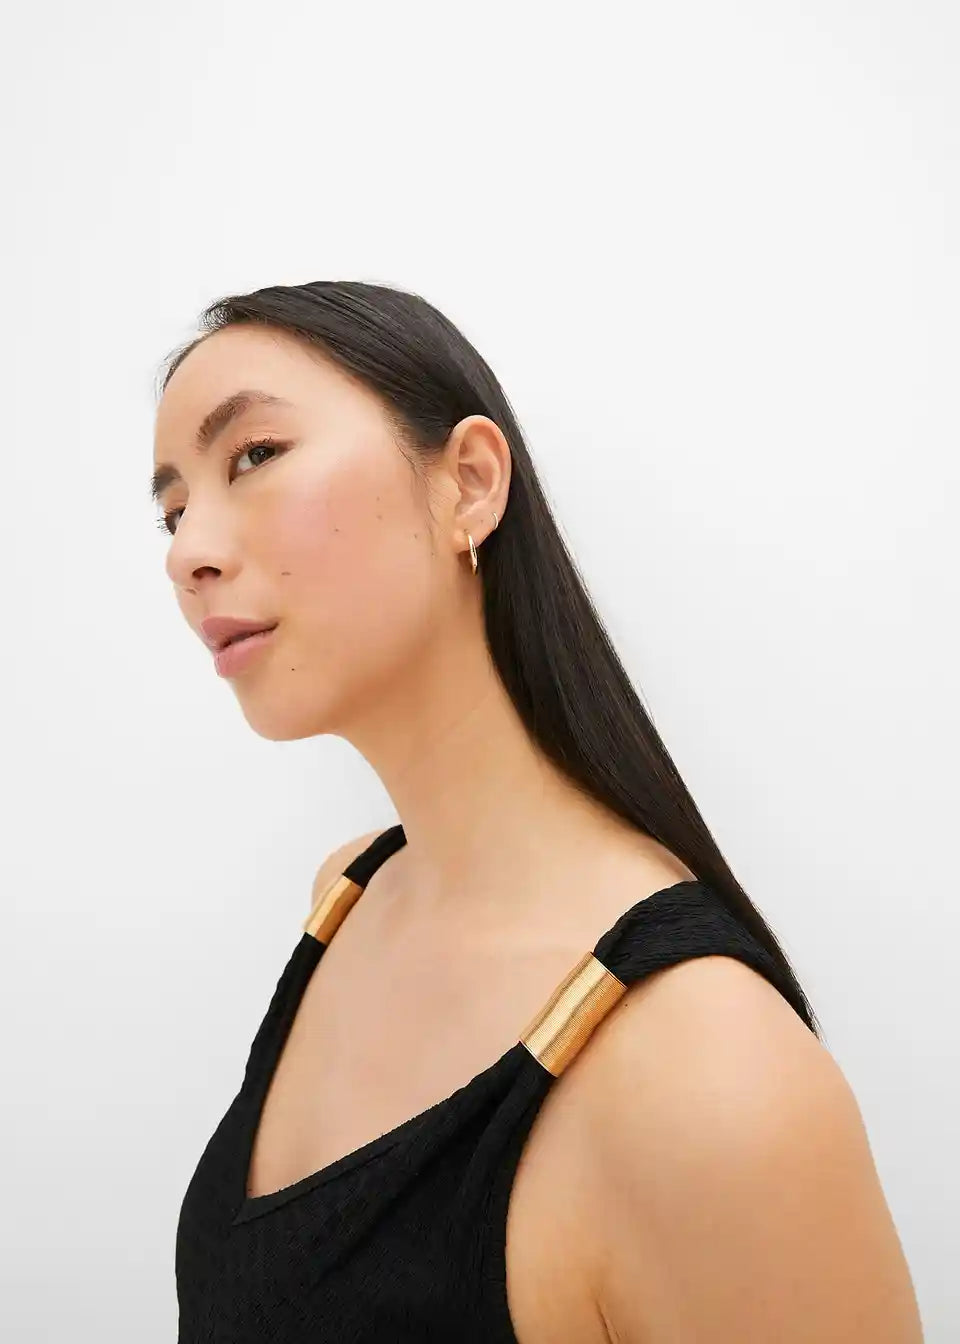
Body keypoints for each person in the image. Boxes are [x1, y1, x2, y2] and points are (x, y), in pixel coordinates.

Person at [153, 281, 923, 1342]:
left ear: (469, 485)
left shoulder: (709, 1072)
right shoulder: (348, 898)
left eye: (253, 456)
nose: (187, 553)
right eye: (172, 510)